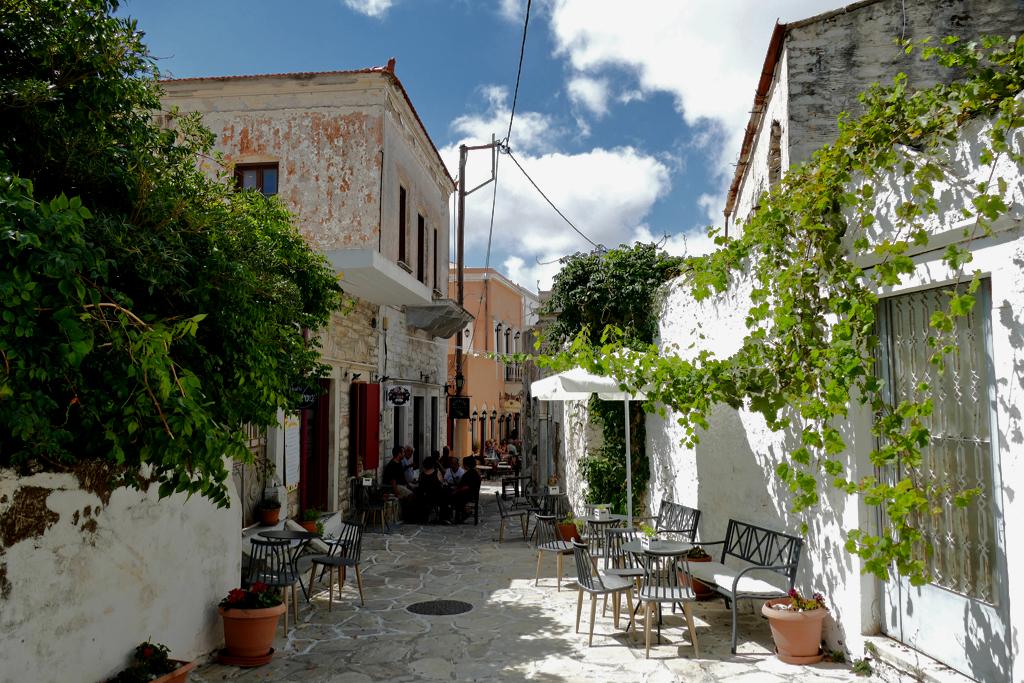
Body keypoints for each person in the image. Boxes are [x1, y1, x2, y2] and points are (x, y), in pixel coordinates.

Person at [416, 456, 447, 523]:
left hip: (426, 498)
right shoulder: (437, 473)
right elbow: (441, 485)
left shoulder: (422, 474)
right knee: (444, 496)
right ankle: (444, 517)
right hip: (436, 498)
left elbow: (419, 484)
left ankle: (422, 516)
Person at [450, 456, 481, 523]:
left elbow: (465, 487)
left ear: (465, 464)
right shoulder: (474, 472)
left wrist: (456, 491)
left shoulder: (468, 474)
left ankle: (466, 510)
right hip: (473, 493)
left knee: (454, 497)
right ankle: (465, 510)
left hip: (468, 493)